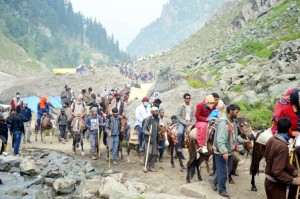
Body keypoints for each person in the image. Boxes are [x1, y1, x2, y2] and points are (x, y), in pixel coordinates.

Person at [265, 117, 300, 199]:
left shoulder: (272, 139)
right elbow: (277, 171)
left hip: (268, 182)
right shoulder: (282, 146)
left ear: (277, 127)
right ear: (289, 129)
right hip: (276, 186)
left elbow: (284, 162)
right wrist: (294, 180)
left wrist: (295, 172)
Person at [213, 104, 240, 198]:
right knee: (224, 172)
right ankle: (222, 190)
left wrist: (244, 141)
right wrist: (224, 151)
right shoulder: (223, 123)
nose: (237, 114)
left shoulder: (232, 122)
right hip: (222, 152)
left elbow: (234, 136)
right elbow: (220, 140)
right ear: (231, 111)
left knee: (227, 169)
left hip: (229, 151)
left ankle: (214, 181)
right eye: (236, 112)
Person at [143, 107, 160, 172]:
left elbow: (157, 128)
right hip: (149, 139)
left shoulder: (157, 119)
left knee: (154, 153)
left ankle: (152, 167)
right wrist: (148, 133)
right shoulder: (148, 119)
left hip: (155, 139)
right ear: (152, 112)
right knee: (148, 153)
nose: (156, 113)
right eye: (155, 111)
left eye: (157, 111)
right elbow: (143, 129)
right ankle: (146, 166)